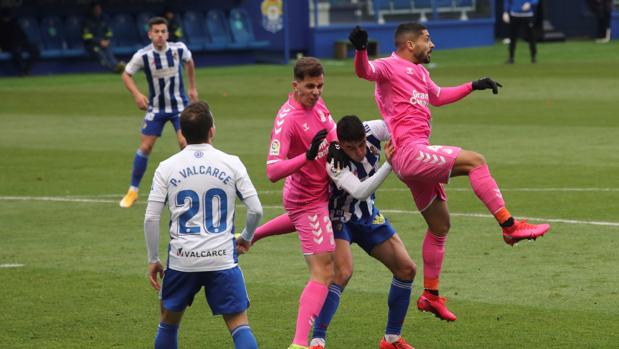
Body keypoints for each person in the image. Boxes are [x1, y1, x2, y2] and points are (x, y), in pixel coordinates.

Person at [349, 23, 550, 321]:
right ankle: (510, 227)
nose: (433, 45)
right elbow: (365, 71)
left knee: (440, 226)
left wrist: (474, 85)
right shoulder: (389, 67)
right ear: (409, 44)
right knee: (476, 162)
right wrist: (361, 49)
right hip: (409, 152)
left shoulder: (421, 73)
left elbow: (439, 96)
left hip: (413, 159)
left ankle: (430, 295)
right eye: (427, 40)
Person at [254, 116, 418, 349]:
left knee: (407, 269)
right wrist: (390, 163)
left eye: (361, 144)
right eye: (351, 147)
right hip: (338, 219)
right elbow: (360, 191)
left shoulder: (374, 129)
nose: (359, 152)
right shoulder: (334, 160)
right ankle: (317, 340)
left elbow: (400, 129)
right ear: (340, 143)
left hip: (368, 216)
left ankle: (391, 339)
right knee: (342, 272)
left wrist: (404, 147)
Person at [144, 101, 262, 349]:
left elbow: (151, 218)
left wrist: (154, 258)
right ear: (212, 130)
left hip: (182, 259)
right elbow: (256, 209)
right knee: (239, 324)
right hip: (221, 258)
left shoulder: (166, 167)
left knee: (168, 322)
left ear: (182, 133)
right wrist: (247, 236)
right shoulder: (231, 163)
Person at [266, 57, 339, 349]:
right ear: (295, 86)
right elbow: (272, 170)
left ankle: (250, 236)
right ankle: (299, 344)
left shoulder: (318, 104)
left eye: (320, 86)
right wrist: (306, 157)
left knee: (341, 269)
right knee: (324, 271)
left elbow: (332, 136)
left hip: (324, 194)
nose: (316, 92)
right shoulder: (287, 119)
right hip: (306, 199)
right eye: (310, 86)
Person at [119, 16, 198, 208]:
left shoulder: (179, 49)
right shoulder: (143, 55)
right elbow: (126, 74)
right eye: (156, 32)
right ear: (150, 34)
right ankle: (133, 190)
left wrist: (192, 87)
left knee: (185, 143)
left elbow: (189, 62)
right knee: (145, 147)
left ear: (167, 33)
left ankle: (191, 187)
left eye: (163, 31)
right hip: (156, 108)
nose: (160, 35)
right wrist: (137, 95)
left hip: (179, 106)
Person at [82, 2, 124, 72]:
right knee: (101, 55)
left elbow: (109, 32)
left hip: (104, 43)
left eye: (99, 9)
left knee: (110, 54)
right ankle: (113, 69)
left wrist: (106, 40)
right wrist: (99, 41)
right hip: (92, 45)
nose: (98, 10)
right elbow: (87, 37)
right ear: (92, 10)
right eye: (96, 9)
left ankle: (117, 66)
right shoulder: (87, 21)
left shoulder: (104, 19)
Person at [0, 7, 39, 76]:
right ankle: (22, 70)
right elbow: (4, 40)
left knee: (35, 50)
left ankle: (27, 69)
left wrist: (24, 43)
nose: (7, 18)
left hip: (21, 43)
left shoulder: (14, 22)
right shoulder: (2, 25)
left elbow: (23, 36)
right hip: (10, 45)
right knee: (17, 51)